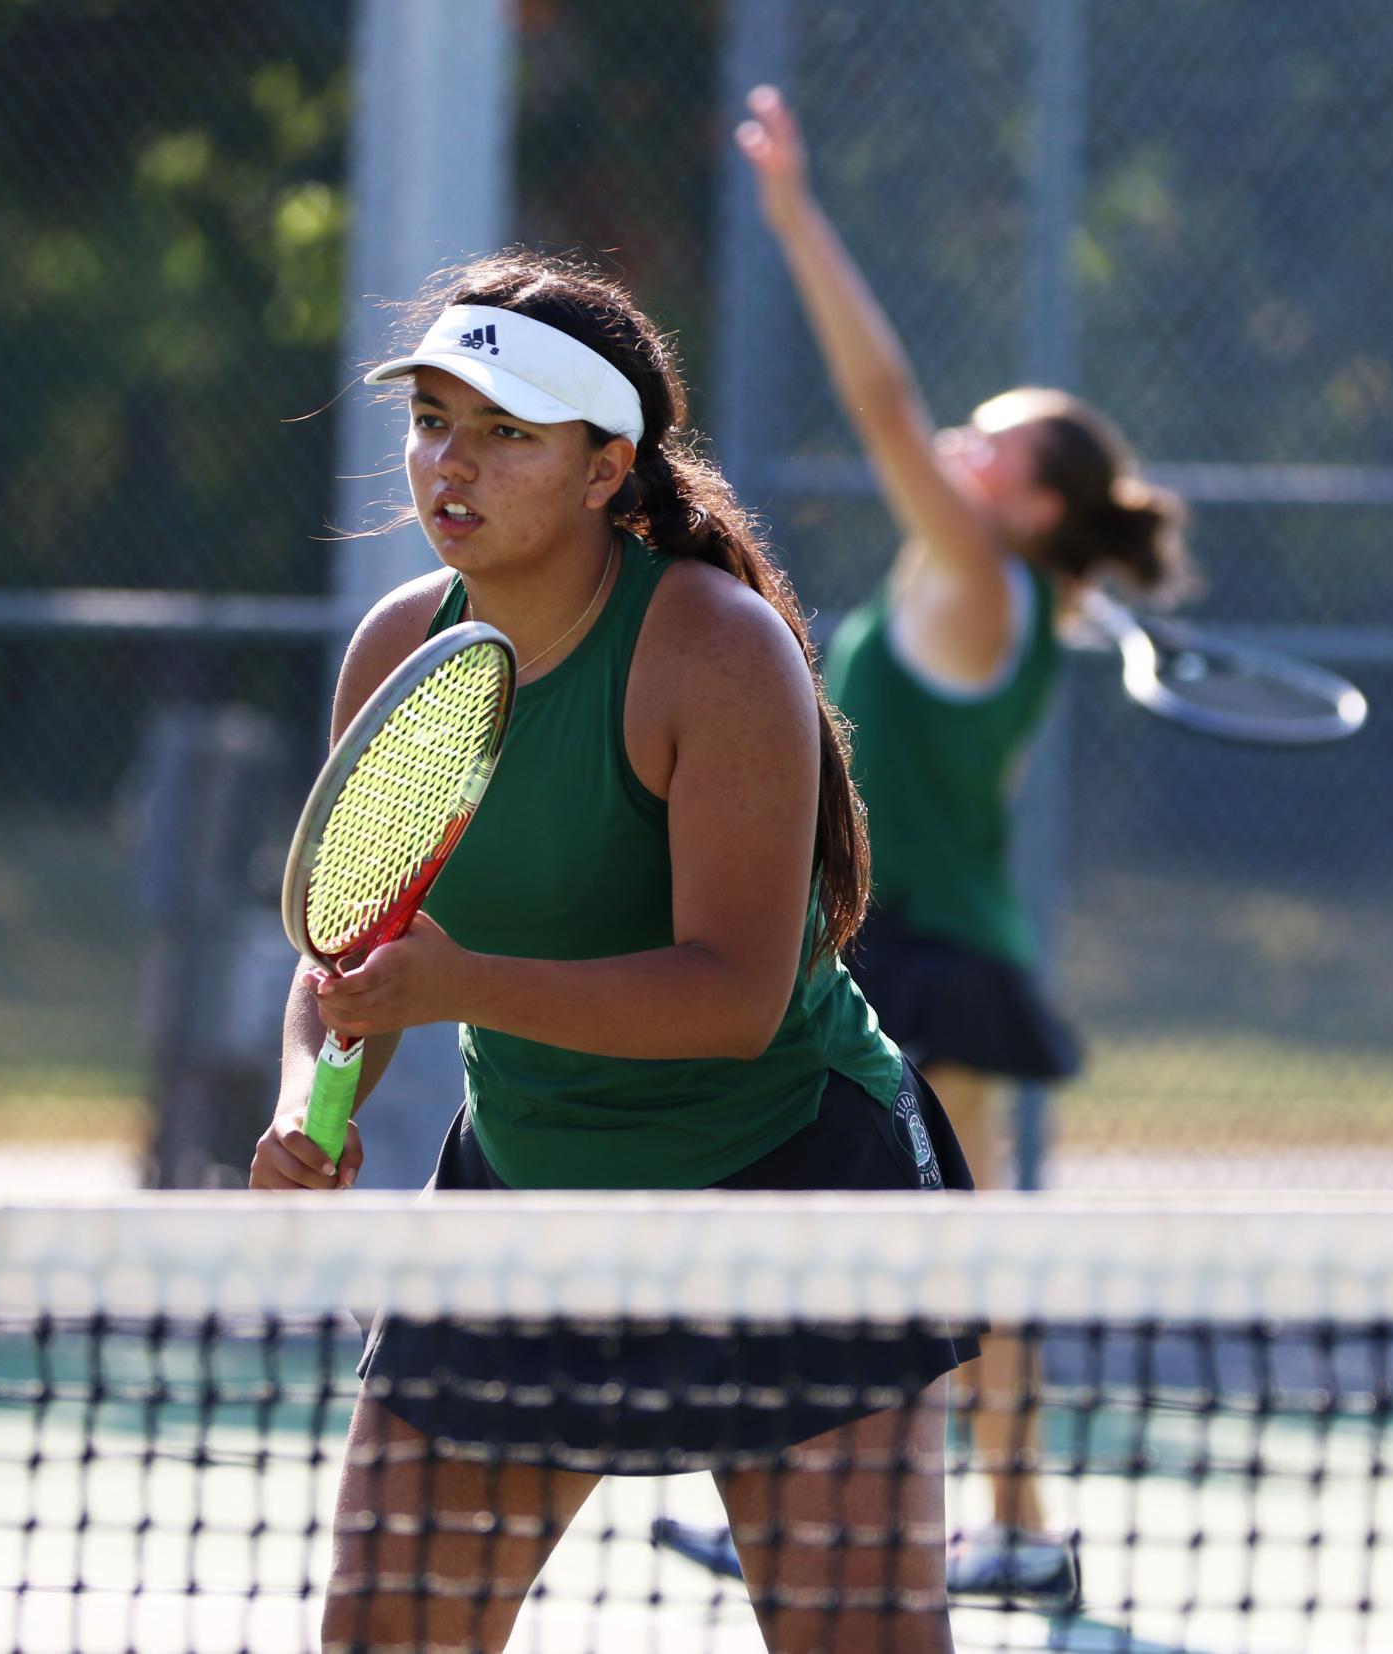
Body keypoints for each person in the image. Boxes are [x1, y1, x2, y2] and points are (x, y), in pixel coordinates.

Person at [249, 248, 977, 1654]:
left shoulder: (715, 651)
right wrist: (302, 1096)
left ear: (603, 469)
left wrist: (457, 985)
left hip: (791, 1199)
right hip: (522, 1201)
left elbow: (729, 996)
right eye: (434, 422)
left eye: (505, 433)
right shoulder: (399, 647)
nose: (448, 464)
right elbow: (352, 949)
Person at [654, 87, 1199, 1609]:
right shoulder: (1010, 591)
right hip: (901, 938)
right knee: (872, 1217)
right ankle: (898, 1503)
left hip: (928, 952)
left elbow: (885, 402)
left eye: (993, 439)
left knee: (930, 1234)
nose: (957, 438)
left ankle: (979, 1518)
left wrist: (796, 220)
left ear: (1020, 499)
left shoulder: (978, 575)